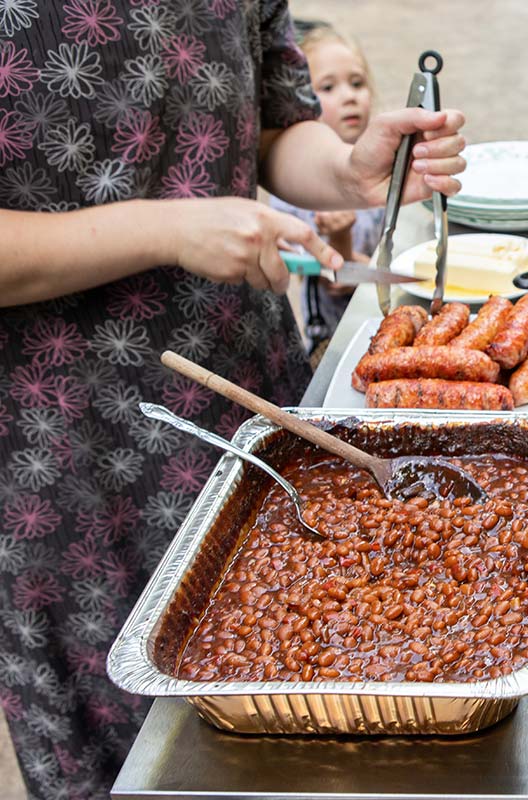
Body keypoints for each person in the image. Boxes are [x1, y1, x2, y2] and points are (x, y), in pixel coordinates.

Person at [0, 3, 466, 798]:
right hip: (67, 464)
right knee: (146, 758)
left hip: (254, 396)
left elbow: (274, 125)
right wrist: (166, 230)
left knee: (320, 709)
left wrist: (350, 168)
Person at [270, 23, 385, 357]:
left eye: (357, 83)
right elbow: (329, 278)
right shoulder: (292, 182)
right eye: (328, 87)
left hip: (380, 322)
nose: (349, 96)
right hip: (334, 343)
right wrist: (341, 241)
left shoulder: (379, 167)